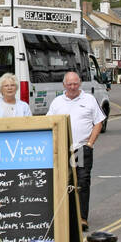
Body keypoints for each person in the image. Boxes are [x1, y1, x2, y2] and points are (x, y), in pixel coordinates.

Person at [47, 71, 105, 228]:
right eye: (69, 84)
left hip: (80, 149)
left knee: (82, 183)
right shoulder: (57, 102)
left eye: (75, 84)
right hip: (62, 149)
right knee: (62, 183)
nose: (73, 87)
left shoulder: (89, 100)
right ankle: (63, 218)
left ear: (80, 83)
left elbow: (98, 122)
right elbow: (49, 122)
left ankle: (82, 218)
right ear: (64, 85)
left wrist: (90, 144)